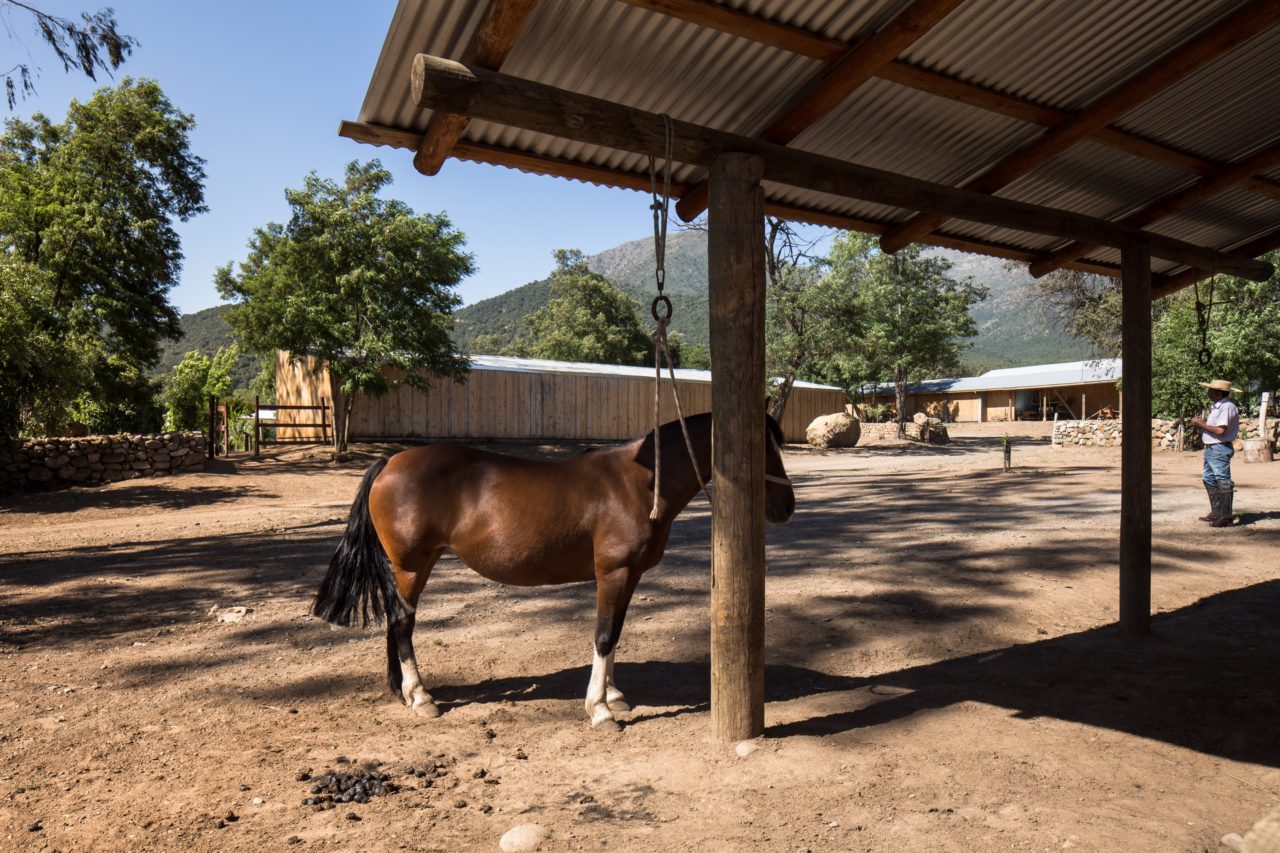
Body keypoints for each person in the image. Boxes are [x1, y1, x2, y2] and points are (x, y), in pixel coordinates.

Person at [1189, 379, 1239, 528]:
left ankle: (1225, 516)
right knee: (1209, 479)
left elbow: (1220, 430)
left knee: (1222, 480)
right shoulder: (1220, 407)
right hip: (1213, 448)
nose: (1208, 392)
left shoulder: (1226, 407)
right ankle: (1218, 512)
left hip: (1219, 447)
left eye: (1210, 390)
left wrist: (1201, 425)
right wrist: (1204, 424)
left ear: (1218, 392)